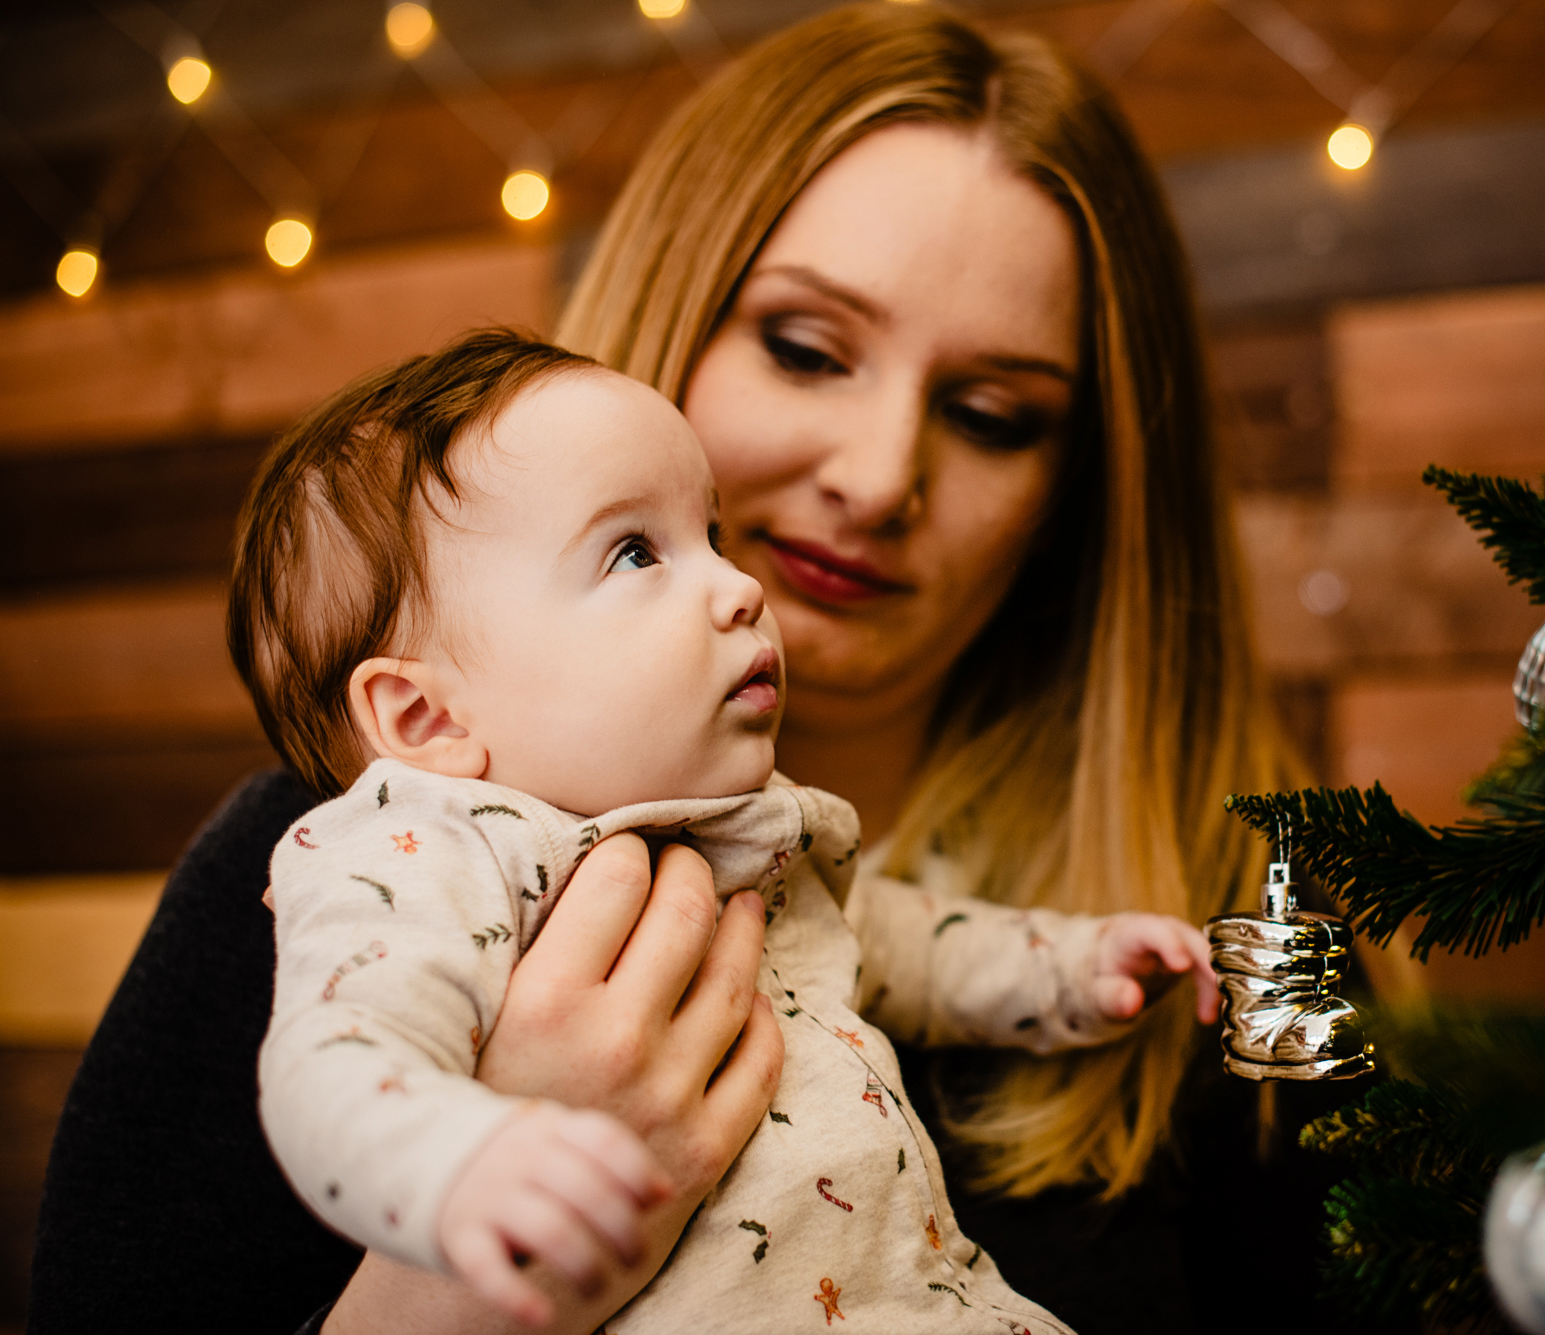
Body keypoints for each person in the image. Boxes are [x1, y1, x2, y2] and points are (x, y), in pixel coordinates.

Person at [33, 7, 1330, 1333]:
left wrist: (1081, 965)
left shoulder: (1236, 908)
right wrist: (463, 1275)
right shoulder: (342, 859)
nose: (880, 479)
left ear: (1082, 485)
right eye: (805, 347)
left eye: (995, 414)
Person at [238, 326, 1214, 1332]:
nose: (737, 586)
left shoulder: (735, 830)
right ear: (427, 720)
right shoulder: (417, 852)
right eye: (632, 552)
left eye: (711, 535)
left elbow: (895, 939)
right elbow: (335, 1061)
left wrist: (1070, 966)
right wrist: (454, 1165)